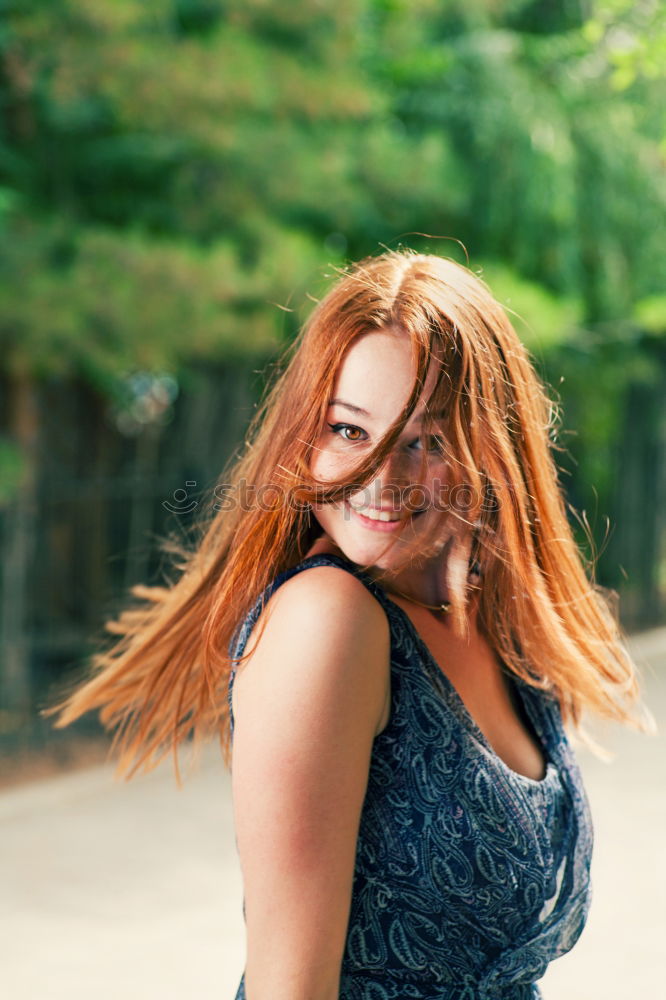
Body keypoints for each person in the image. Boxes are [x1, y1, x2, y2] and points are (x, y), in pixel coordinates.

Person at [45, 249, 652, 999]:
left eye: (425, 443)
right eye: (349, 430)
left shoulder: (487, 626)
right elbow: (288, 987)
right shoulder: (328, 622)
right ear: (306, 432)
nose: (381, 480)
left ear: (490, 451)